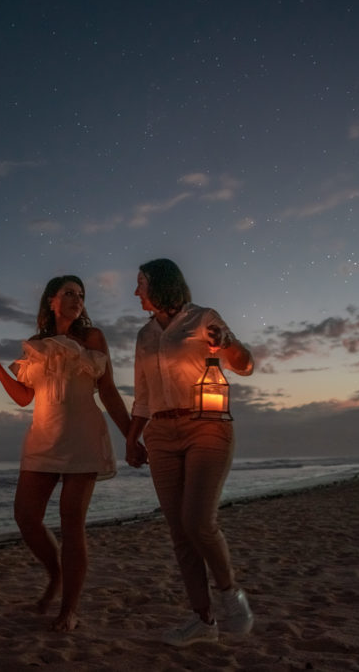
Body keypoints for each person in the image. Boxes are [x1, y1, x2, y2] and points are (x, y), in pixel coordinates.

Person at [0, 275, 132, 632]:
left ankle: (69, 609)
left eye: (81, 295)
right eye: (69, 293)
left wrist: (131, 437)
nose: (77, 299)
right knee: (26, 517)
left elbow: (107, 392)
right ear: (51, 301)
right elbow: (23, 397)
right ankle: (55, 575)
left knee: (71, 521)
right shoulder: (34, 345)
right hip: (43, 437)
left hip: (83, 438)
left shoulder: (92, 339)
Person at [123, 258, 255, 646]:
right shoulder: (144, 336)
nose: (136, 293)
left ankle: (231, 595)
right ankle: (203, 620)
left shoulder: (202, 318)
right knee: (179, 532)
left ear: (160, 284)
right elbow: (143, 395)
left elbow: (245, 366)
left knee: (198, 520)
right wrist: (133, 439)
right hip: (161, 433)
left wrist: (228, 344)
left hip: (206, 426)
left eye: (140, 284)